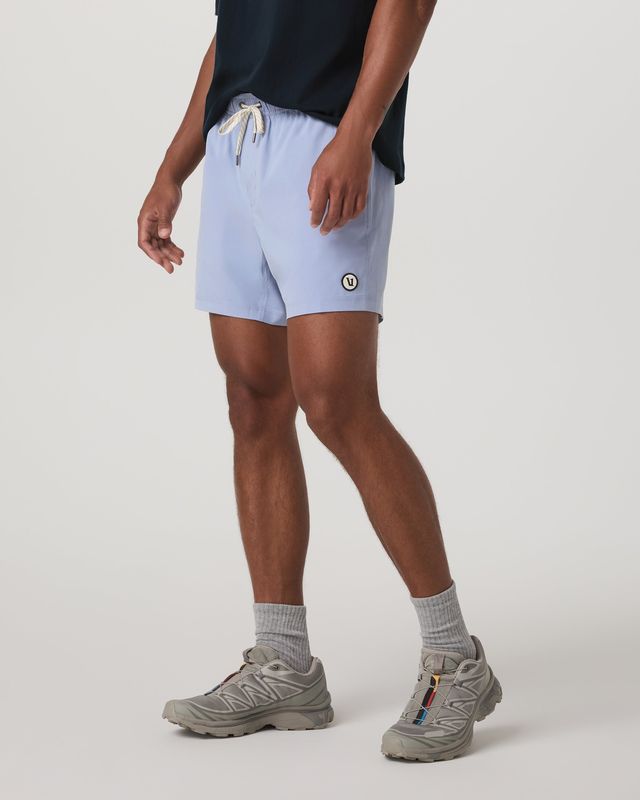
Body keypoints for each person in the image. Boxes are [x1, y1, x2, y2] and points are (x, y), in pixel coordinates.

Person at [137, 0, 501, 762]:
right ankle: (284, 663)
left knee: (337, 403)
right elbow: (234, 34)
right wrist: (173, 169)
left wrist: (358, 131)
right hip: (236, 139)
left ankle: (455, 657)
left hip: (323, 137)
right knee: (253, 400)